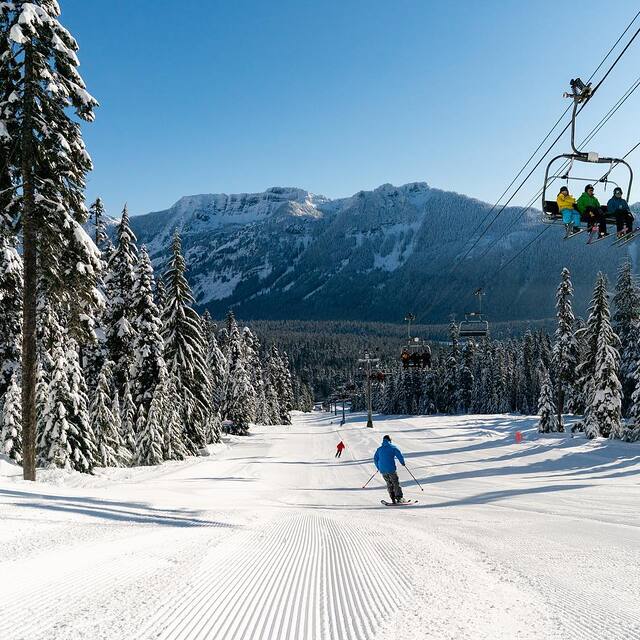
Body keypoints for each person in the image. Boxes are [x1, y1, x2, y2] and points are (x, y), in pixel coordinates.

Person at [373, 434, 407, 504]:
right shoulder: (393, 447)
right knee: (395, 482)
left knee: (389, 483)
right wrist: (402, 463)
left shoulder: (379, 449)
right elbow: (399, 455)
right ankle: (399, 498)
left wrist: (378, 467)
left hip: (383, 470)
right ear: (390, 440)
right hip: (391, 469)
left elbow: (375, 459)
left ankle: (392, 498)